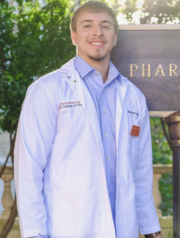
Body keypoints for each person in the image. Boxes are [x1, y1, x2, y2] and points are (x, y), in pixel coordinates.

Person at [14, 1, 162, 238]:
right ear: (73, 35)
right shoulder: (47, 90)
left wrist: (151, 229)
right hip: (68, 228)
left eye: (105, 26)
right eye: (87, 25)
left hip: (122, 230)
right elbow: (29, 169)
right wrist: (33, 234)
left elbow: (141, 172)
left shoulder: (133, 97)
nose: (97, 33)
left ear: (114, 37)